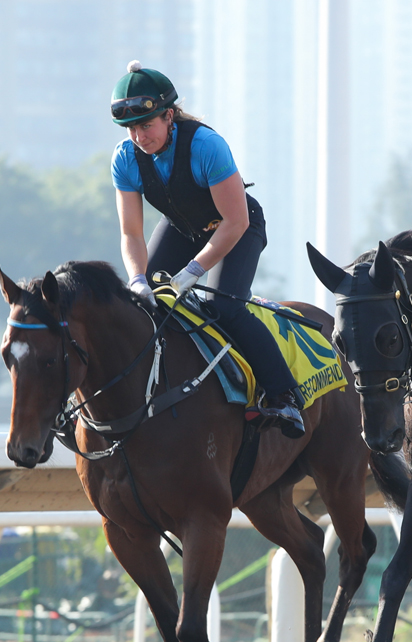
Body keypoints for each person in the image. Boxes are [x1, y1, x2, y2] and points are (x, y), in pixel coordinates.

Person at [110, 61, 305, 438]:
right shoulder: (124, 159)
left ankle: (285, 396)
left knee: (225, 306)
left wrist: (193, 272)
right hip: (183, 228)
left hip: (237, 226)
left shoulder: (206, 146)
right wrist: (137, 279)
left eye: (146, 125)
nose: (139, 137)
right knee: (143, 303)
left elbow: (235, 223)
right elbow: (131, 234)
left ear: (169, 117)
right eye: (131, 128)